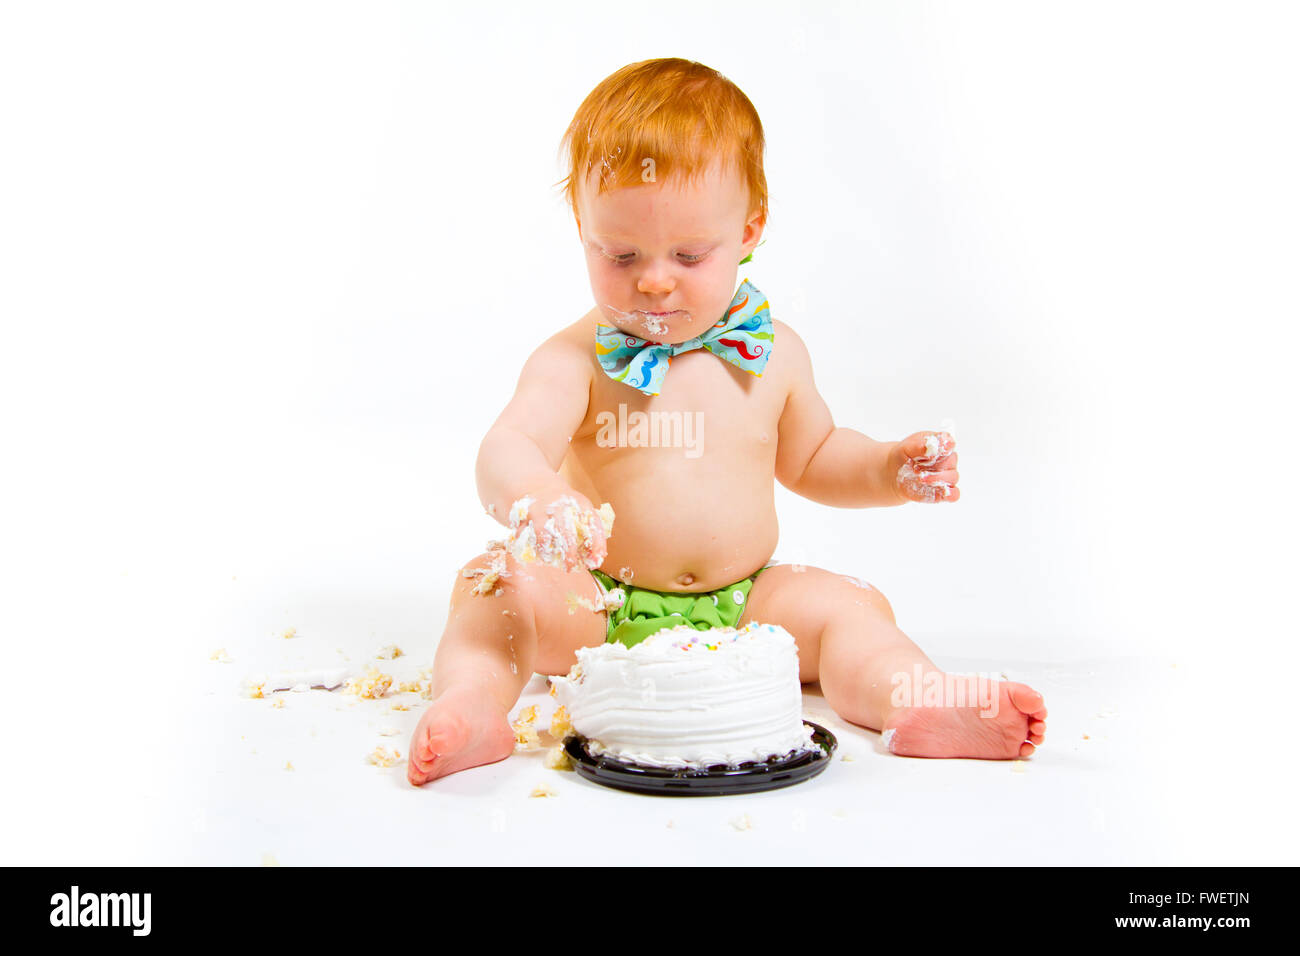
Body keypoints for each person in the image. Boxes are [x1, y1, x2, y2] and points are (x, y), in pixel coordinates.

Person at [408, 58, 1045, 786]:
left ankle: (918, 699)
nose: (653, 279)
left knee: (849, 611)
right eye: (620, 254)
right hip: (595, 599)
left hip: (748, 606)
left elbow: (816, 457)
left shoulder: (775, 356)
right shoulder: (573, 359)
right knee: (495, 590)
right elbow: (508, 444)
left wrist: (885, 468)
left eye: (688, 254)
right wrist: (537, 497)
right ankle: (472, 705)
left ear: (749, 229)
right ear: (583, 229)